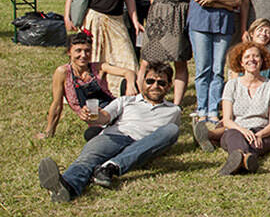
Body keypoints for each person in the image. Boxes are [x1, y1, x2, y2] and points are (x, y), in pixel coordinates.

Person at [38, 62, 181, 203]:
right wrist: (93, 115)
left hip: (142, 145)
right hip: (114, 137)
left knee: (172, 130)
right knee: (87, 160)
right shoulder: (126, 101)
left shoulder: (173, 111)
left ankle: (110, 167)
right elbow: (105, 116)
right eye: (150, 81)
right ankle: (67, 188)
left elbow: (164, 141)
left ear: (169, 86)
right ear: (143, 82)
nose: (155, 86)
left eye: (161, 83)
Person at [38, 33, 138, 140]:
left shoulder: (98, 67)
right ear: (69, 52)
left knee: (129, 84)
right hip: (97, 121)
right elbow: (57, 105)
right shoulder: (63, 72)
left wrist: (130, 85)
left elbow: (128, 72)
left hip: (113, 111)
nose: (84, 55)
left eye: (87, 51)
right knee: (91, 135)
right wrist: (49, 133)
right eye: (78, 51)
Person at [207, 42, 270, 175]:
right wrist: (243, 130)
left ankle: (238, 160)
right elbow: (227, 120)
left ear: (262, 60)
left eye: (256, 56)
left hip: (262, 132)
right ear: (241, 63)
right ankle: (246, 158)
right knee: (233, 136)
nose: (252, 60)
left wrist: (260, 134)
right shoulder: (232, 85)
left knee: (257, 142)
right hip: (237, 130)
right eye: (247, 57)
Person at [187, 0, 241, 122]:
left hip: (223, 27)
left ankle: (213, 109)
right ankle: (202, 108)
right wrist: (226, 4)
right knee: (203, 68)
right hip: (201, 25)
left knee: (218, 69)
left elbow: (237, 1)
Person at [140, 0, 192, 105]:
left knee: (179, 63)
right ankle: (145, 97)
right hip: (157, 20)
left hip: (179, 20)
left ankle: (176, 103)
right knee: (148, 61)